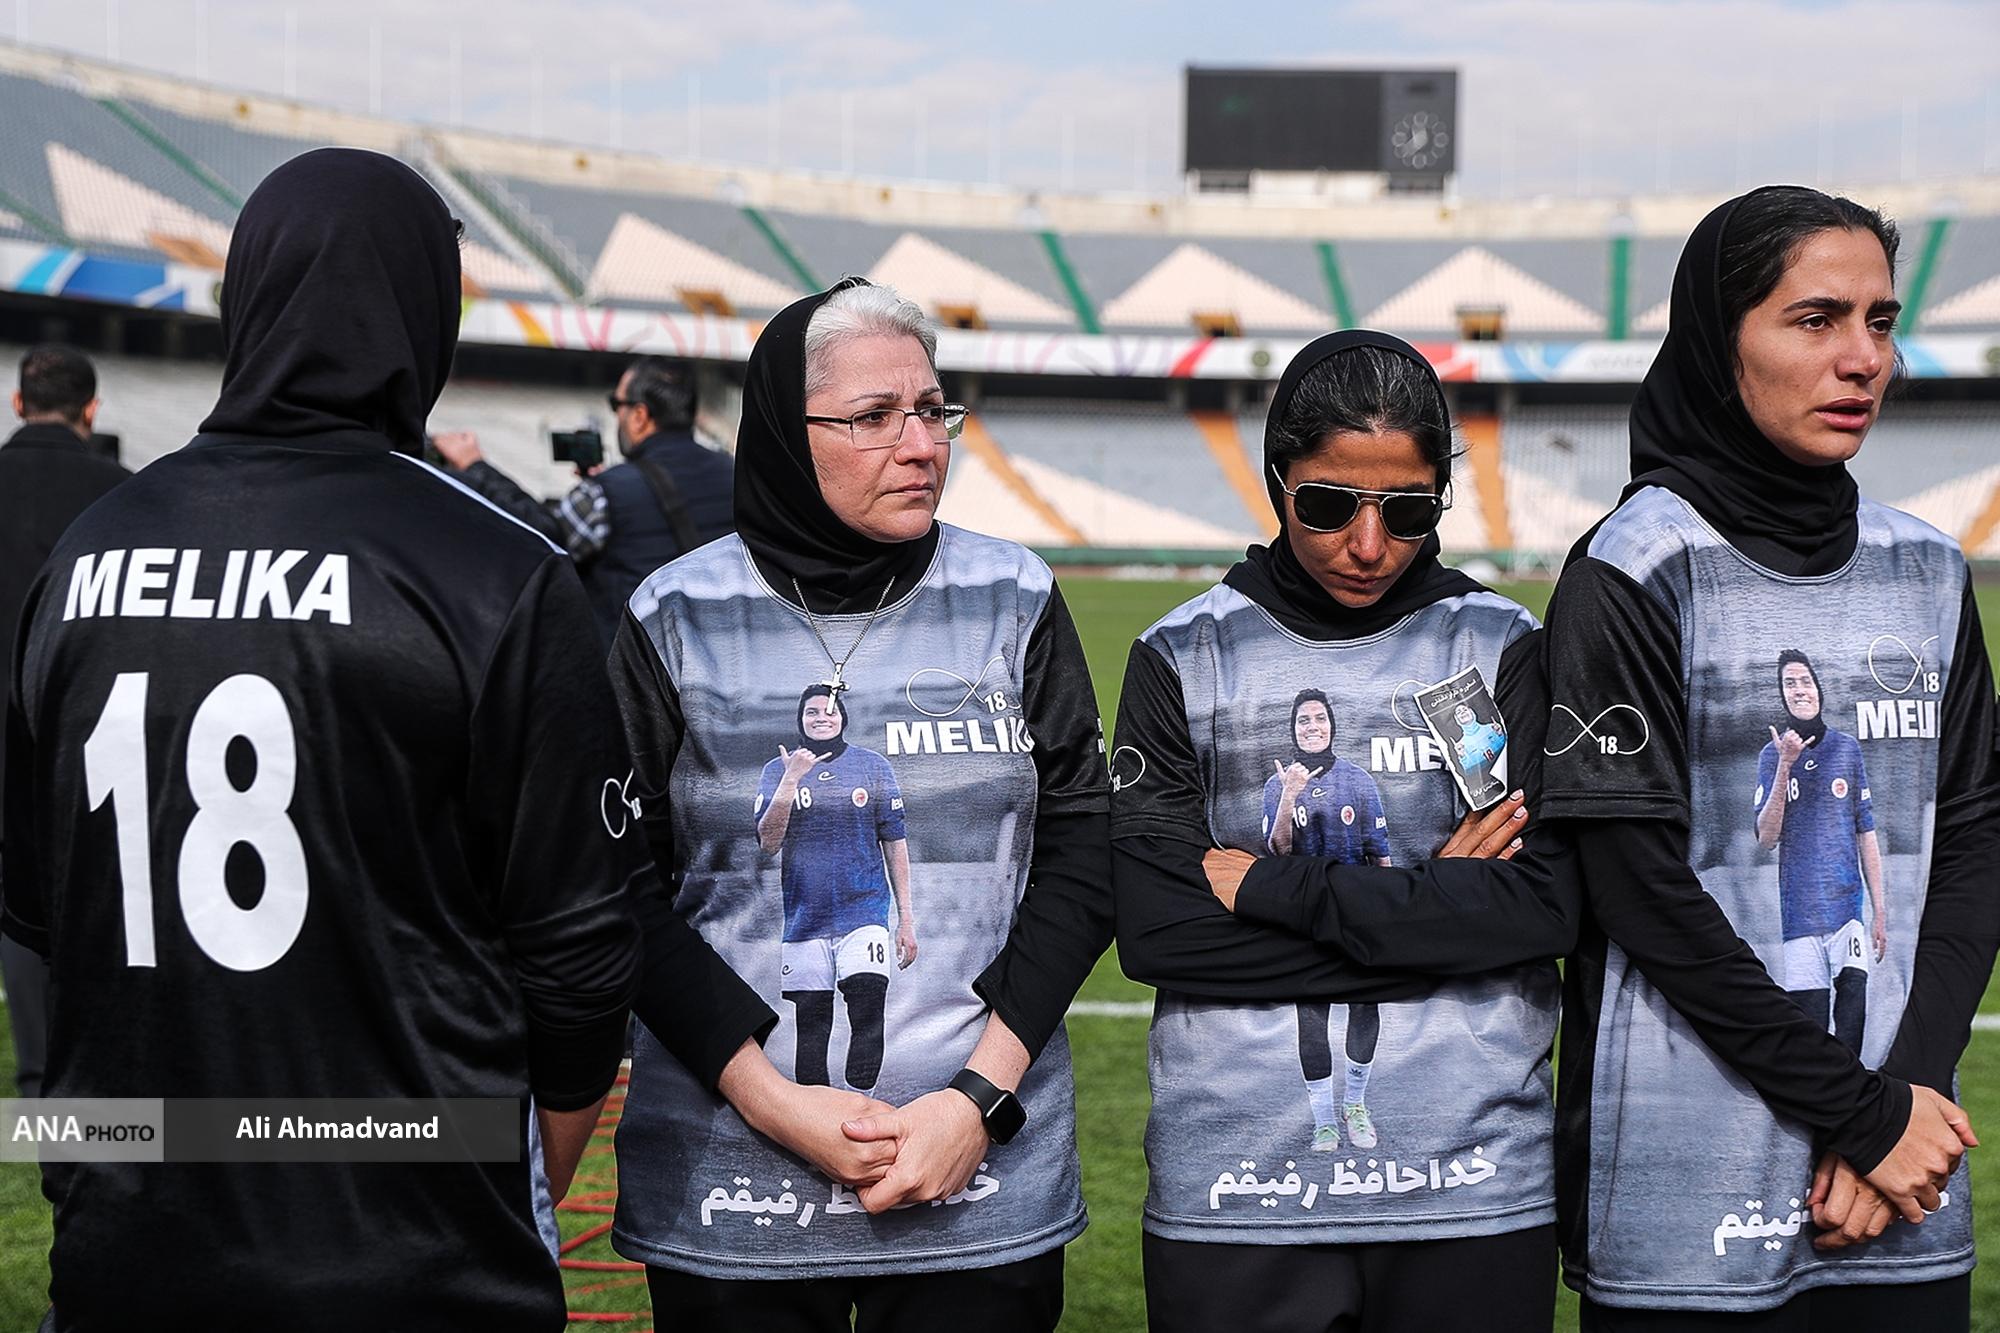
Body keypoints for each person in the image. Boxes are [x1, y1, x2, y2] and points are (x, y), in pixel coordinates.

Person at [1, 148, 642, 1329]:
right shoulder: (493, 568)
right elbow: (581, 959)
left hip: (130, 1253)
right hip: (417, 1264)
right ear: (422, 316)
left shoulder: (85, 554)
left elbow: (42, 916)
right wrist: (515, 1184)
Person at [605, 277, 1110, 1332]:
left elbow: (1083, 849)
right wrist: (773, 1101)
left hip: (979, 1184)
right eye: (875, 416)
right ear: (785, 439)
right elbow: (616, 886)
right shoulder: (673, 614)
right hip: (731, 1197)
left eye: (931, 410)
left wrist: (976, 1100)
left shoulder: (1014, 596)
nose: (921, 445)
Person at [1538, 185, 2000, 1329]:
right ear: (1717, 338)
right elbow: (1636, 889)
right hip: (1683, 1192)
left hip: (1899, 1180)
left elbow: (1971, 835)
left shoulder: (1928, 568)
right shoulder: (1632, 567)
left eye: (1879, 321)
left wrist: (1905, 1094)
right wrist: (1861, 1113)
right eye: (1813, 319)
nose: (1861, 359)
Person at [1112, 330, 1580, 1333]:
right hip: (1236, 1188)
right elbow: (1155, 930)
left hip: (1471, 1185)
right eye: (1328, 505)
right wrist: (1436, 912)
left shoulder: (1496, 647)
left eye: (1407, 511)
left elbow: (1541, 907)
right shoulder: (1182, 653)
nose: (1368, 544)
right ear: (1276, 480)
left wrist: (1268, 889)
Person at [0, 343, 130, 1100]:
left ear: (19, 403)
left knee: (17, 896)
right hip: (91, 728)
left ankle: (37, 1080)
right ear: (91, 408)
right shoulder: (126, 495)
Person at [434, 355, 734, 645]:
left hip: (635, 664)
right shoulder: (733, 473)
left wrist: (475, 466)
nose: (616, 416)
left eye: (616, 404)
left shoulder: (606, 493)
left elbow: (542, 541)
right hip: (711, 654)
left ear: (639, 416)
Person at [756, 683, 915, 1089]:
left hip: (864, 913)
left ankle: (862, 1102)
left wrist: (906, 920)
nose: (821, 717)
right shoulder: (776, 771)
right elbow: (768, 842)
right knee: (811, 1030)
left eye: (829, 710)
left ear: (843, 717)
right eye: (812, 711)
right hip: (805, 921)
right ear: (800, 720)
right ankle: (818, 1119)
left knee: (867, 1007)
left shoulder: (872, 766)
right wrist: (792, 778)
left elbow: (895, 843)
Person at [1262, 688, 1392, 1152]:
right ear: (1293, 729)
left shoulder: (1358, 780)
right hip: (1304, 922)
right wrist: (1289, 795)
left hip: (1358, 917)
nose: (1313, 726)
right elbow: (1278, 851)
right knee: (1312, 1019)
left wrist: (1390, 918)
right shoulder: (1278, 784)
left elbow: (1380, 855)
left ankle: (1355, 1105)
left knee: (1364, 1008)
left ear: (1332, 725)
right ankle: (1324, 1122)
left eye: (1320, 718)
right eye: (1304, 720)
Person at [1756, 648, 1886, 1055]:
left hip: (1847, 911)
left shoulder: (1847, 750)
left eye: (1805, 681)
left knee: (1850, 1030)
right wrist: (1785, 765)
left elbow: (1866, 832)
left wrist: (1880, 911)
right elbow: (1766, 838)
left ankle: (1853, 1096)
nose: (1799, 690)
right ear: (1781, 694)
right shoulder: (1770, 756)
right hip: (1800, 918)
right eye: (1789, 683)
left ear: (1818, 689)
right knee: (1810, 1038)